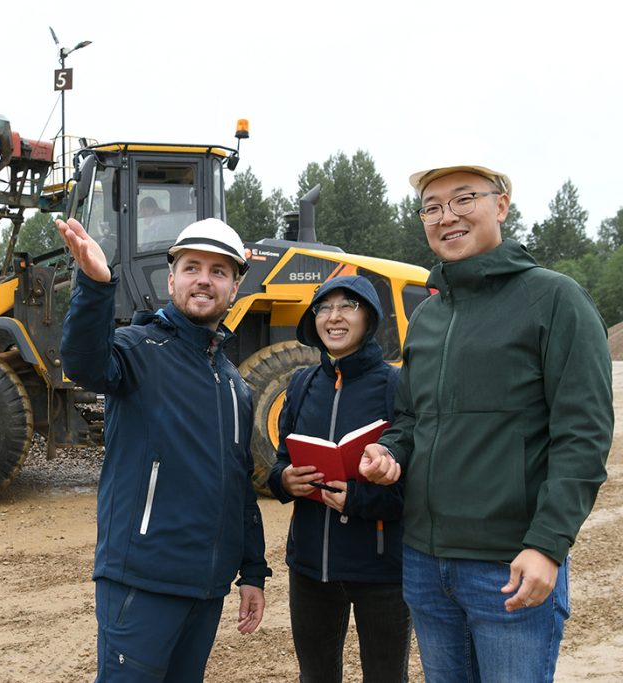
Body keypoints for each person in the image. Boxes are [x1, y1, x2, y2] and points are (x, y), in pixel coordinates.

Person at [359, 164, 614, 682]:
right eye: (432, 207)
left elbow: (583, 434)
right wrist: (390, 452)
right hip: (426, 564)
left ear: (500, 205)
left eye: (463, 199)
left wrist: (547, 545)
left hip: (509, 564)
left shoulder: (554, 299)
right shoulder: (428, 317)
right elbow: (410, 418)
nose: (446, 216)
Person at [57, 215, 272, 681]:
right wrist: (95, 286)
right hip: (141, 583)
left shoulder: (234, 385)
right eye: (192, 268)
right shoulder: (137, 350)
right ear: (172, 280)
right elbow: (83, 362)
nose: (204, 280)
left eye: (218, 271)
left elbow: (238, 485)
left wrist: (252, 572)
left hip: (206, 590)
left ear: (235, 288)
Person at [268, 275, 411, 683]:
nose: (334, 317)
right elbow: (279, 464)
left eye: (348, 305)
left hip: (380, 569)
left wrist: (357, 499)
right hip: (311, 567)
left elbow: (414, 487)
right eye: (324, 308)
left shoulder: (396, 386)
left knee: (386, 677)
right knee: (315, 677)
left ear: (369, 318)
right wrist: (285, 481)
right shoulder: (301, 384)